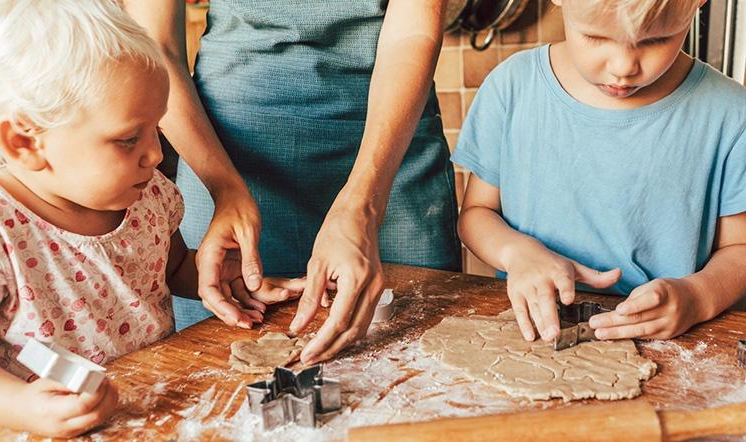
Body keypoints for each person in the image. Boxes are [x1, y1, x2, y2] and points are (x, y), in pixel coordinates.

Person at [0, 1, 301, 436]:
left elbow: (166, 268)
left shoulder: (147, 195)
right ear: (23, 142)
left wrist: (224, 279)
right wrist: (20, 407)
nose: (156, 155)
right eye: (129, 139)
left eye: (157, 130)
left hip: (150, 412)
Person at [125, 0, 462, 364]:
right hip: (222, 158)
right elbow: (154, 46)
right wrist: (226, 190)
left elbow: (413, 31)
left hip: (391, 152)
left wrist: (365, 202)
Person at [453, 0, 746, 343]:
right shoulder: (512, 87)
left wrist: (697, 297)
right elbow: (476, 214)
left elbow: (739, 248)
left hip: (672, 344)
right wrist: (514, 252)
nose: (623, 67)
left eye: (655, 40)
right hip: (535, 335)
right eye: (595, 37)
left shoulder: (729, 114)